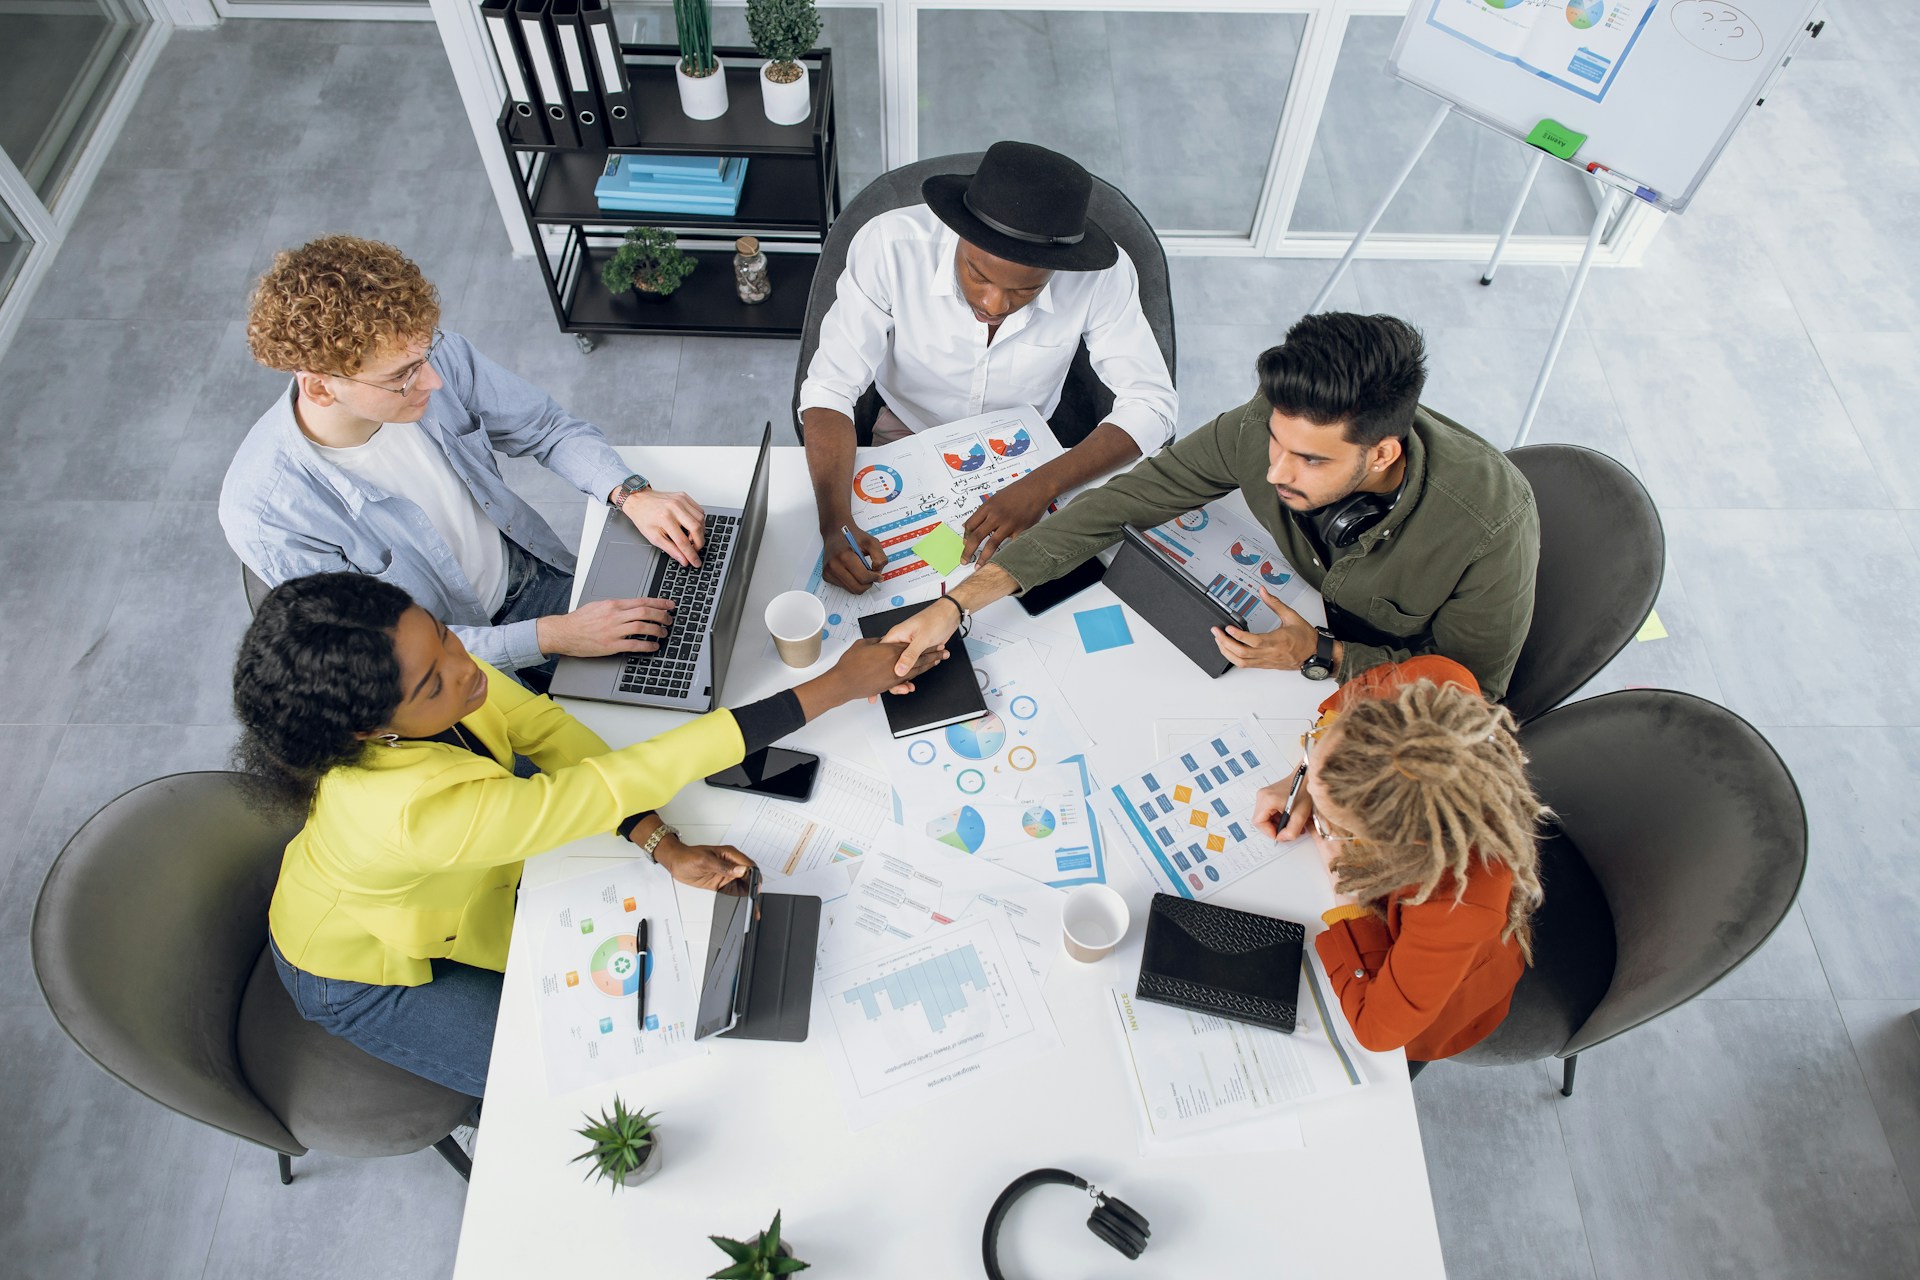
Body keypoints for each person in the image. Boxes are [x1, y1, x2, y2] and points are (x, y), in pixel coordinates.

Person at [233, 572, 944, 1098]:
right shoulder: (412, 816)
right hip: (360, 971)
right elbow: (617, 780)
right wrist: (834, 687)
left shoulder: (432, 671)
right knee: (570, 1090)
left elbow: (542, 728)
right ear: (368, 729)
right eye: (433, 684)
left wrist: (657, 840)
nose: (465, 669)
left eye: (445, 635)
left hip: (458, 899)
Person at [879, 311, 1540, 700]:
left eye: (1311, 460)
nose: (1276, 473)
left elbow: (1471, 694)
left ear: (1383, 456)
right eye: (1277, 443)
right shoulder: (1262, 427)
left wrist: (1326, 656)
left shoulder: (1490, 525)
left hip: (1368, 692)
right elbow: (1125, 502)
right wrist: (957, 602)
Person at [221, 234, 707, 687]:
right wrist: (553, 637)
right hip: (444, 669)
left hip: (533, 579)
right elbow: (387, 653)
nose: (433, 381)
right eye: (403, 375)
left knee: (686, 657)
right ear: (322, 387)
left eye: (427, 352)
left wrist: (629, 492)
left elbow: (545, 427)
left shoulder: (424, 356)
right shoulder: (270, 514)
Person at [799, 140, 1177, 591]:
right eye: (978, 275)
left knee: (1027, 598)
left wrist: (1042, 485)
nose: (993, 304)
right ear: (958, 233)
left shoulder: (1102, 278)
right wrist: (835, 527)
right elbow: (829, 389)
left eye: (1025, 291)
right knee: (908, 586)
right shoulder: (890, 247)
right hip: (910, 432)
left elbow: (1153, 404)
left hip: (1028, 456)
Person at [1250, 656, 1547, 1068]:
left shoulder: (1457, 902)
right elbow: (1365, 691)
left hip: (1449, 997)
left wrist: (1348, 893)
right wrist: (1303, 778)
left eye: (1333, 819)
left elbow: (1376, 1030)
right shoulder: (1438, 686)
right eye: (1320, 749)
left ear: (1390, 845)